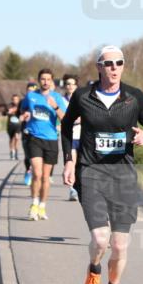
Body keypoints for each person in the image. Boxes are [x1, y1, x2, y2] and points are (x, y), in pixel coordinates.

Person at [62, 46, 143, 284]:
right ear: (99, 67)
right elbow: (65, 125)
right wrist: (69, 161)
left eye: (119, 63)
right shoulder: (83, 96)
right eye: (108, 64)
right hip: (91, 172)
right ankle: (94, 269)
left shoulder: (134, 97)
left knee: (119, 245)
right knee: (100, 239)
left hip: (122, 176)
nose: (114, 68)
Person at [19, 70, 68, 220]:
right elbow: (24, 110)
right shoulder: (31, 96)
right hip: (34, 138)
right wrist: (25, 115)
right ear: (39, 81)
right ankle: (34, 203)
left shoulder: (57, 98)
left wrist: (55, 107)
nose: (45, 82)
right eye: (43, 79)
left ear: (52, 81)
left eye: (48, 79)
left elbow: (65, 119)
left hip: (51, 139)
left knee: (46, 177)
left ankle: (42, 206)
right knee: (37, 174)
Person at [62, 73, 81, 201]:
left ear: (76, 85)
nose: (70, 86)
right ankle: (73, 190)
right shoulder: (61, 100)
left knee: (81, 163)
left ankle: (81, 186)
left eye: (72, 84)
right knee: (71, 162)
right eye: (67, 84)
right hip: (70, 135)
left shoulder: (82, 98)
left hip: (82, 133)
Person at [6, 93, 23, 160]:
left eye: (16, 99)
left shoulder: (20, 106)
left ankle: (16, 153)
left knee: (16, 138)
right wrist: (8, 112)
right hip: (10, 125)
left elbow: (23, 113)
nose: (15, 101)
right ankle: (11, 152)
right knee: (11, 139)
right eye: (14, 99)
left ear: (18, 100)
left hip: (18, 126)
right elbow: (4, 113)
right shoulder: (9, 106)